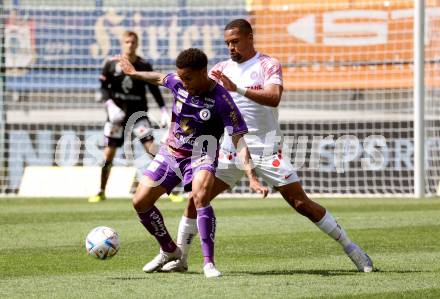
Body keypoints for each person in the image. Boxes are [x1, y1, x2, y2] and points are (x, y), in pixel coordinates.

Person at [161, 19, 374, 273]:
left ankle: (353, 249)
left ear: (250, 37)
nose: (231, 47)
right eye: (228, 43)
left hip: (266, 149)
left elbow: (274, 98)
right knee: (196, 198)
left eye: (236, 41)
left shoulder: (268, 64)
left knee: (301, 204)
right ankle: (181, 259)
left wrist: (237, 88)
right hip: (230, 149)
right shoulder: (219, 68)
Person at [118, 48, 268, 278]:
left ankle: (209, 263)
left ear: (202, 72)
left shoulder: (221, 99)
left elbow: (238, 140)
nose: (183, 82)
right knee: (140, 202)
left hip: (201, 156)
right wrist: (134, 73)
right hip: (170, 153)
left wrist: (252, 177)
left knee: (200, 197)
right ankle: (169, 250)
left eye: (188, 78)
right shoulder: (179, 83)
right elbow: (158, 77)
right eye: (181, 77)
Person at [88, 30, 183, 203]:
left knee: (152, 149)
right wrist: (109, 106)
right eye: (127, 42)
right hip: (117, 116)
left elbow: (153, 87)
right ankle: (101, 191)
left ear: (137, 44)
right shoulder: (111, 64)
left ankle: (172, 190)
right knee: (108, 154)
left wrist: (163, 109)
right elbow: (102, 87)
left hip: (138, 114)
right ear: (122, 43)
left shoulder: (143, 65)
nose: (130, 45)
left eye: (133, 42)